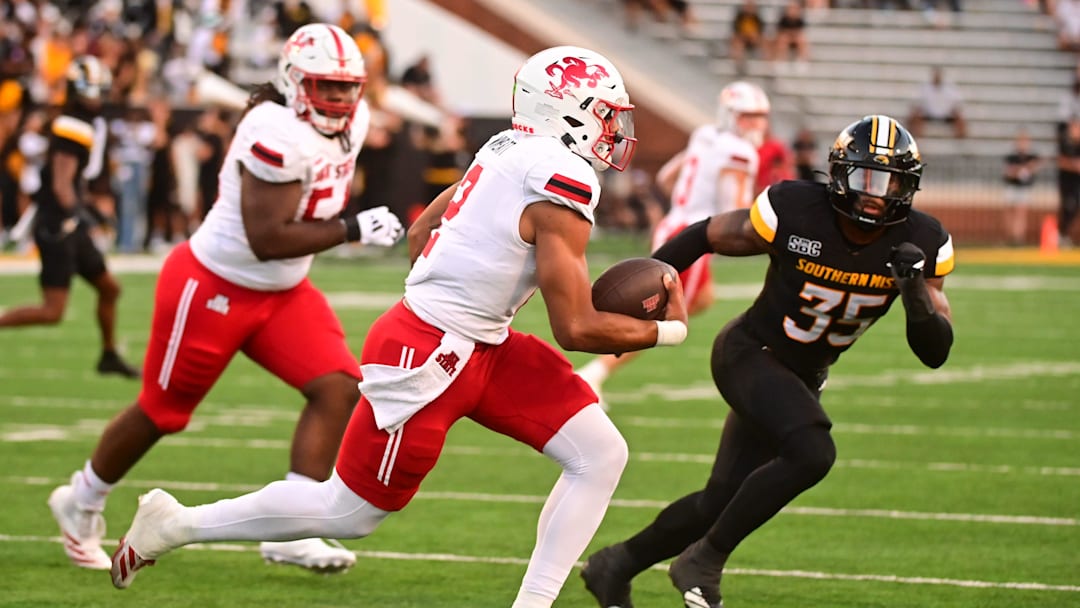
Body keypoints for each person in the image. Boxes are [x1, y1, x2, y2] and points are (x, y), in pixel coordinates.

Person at [108, 45, 689, 608]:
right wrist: (669, 330)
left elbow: (421, 233)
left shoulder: (507, 145)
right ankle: (176, 523)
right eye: (607, 115)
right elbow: (576, 328)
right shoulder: (561, 179)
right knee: (350, 511)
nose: (615, 129)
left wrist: (458, 291)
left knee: (599, 453)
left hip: (480, 341)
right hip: (432, 357)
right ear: (569, 112)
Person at [46, 24, 404, 574]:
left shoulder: (351, 118)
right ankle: (82, 500)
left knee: (338, 388)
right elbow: (267, 239)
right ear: (294, 82)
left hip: (283, 291)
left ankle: (291, 529)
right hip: (214, 284)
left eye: (346, 86)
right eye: (324, 86)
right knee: (164, 413)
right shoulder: (273, 131)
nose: (338, 99)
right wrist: (353, 228)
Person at [580, 115, 955, 608]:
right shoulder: (798, 210)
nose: (875, 195)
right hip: (749, 352)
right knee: (812, 451)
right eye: (865, 178)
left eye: (890, 183)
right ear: (840, 175)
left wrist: (914, 295)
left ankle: (615, 566)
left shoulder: (922, 243)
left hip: (803, 374)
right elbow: (708, 233)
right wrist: (657, 276)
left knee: (719, 500)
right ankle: (703, 562)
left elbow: (935, 352)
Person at [577, 81, 768, 410]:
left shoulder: (705, 135)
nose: (756, 124)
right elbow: (735, 208)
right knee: (661, 320)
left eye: (759, 117)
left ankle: (598, 366)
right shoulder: (740, 152)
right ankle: (594, 372)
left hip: (674, 226)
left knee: (704, 298)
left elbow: (666, 177)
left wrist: (683, 207)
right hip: (695, 237)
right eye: (748, 116)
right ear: (731, 116)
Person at [0, 55, 140, 378]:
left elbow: (74, 182)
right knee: (52, 311)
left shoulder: (78, 123)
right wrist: (84, 215)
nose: (99, 98)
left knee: (110, 289)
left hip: (68, 222)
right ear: (79, 92)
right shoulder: (73, 125)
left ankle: (108, 355)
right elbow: (63, 184)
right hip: (57, 225)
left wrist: (89, 211)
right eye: (94, 92)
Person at [1002, 129, 1041, 247]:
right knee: (1009, 212)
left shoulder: (1032, 156)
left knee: (1021, 213)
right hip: (1011, 186)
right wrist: (1021, 169)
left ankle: (1019, 238)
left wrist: (1019, 169)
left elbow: (1035, 168)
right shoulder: (1011, 157)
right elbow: (1008, 172)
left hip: (1023, 188)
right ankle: (1009, 237)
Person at [907, 67, 966, 139]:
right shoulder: (925, 88)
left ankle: (961, 137)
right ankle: (916, 136)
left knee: (959, 117)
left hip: (946, 115)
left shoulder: (950, 89)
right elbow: (916, 103)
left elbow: (957, 104)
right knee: (915, 115)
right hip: (928, 114)